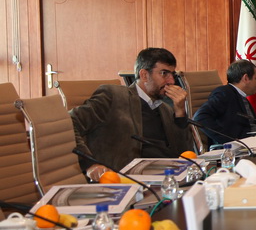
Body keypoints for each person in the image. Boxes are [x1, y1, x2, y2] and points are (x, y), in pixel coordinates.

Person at [70, 47, 193, 180]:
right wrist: (90, 165)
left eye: (172, 75)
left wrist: (180, 113)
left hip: (167, 177)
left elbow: (183, 154)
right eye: (164, 73)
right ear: (144, 75)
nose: (171, 81)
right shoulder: (113, 96)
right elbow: (69, 124)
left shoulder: (165, 108)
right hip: (125, 180)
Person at [193, 60, 256, 146]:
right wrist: (229, 141)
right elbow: (200, 117)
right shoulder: (224, 94)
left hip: (252, 143)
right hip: (235, 148)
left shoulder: (239, 94)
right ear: (246, 78)